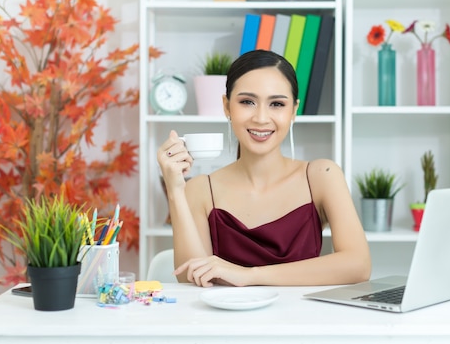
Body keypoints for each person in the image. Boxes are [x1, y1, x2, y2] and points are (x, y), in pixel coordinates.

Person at [157, 49, 371, 287]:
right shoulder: (199, 189)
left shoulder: (322, 176)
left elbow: (358, 265)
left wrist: (250, 275)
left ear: (293, 111)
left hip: (303, 321)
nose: (261, 118)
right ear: (227, 107)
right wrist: (175, 191)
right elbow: (190, 279)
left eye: (277, 104)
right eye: (247, 102)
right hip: (225, 323)